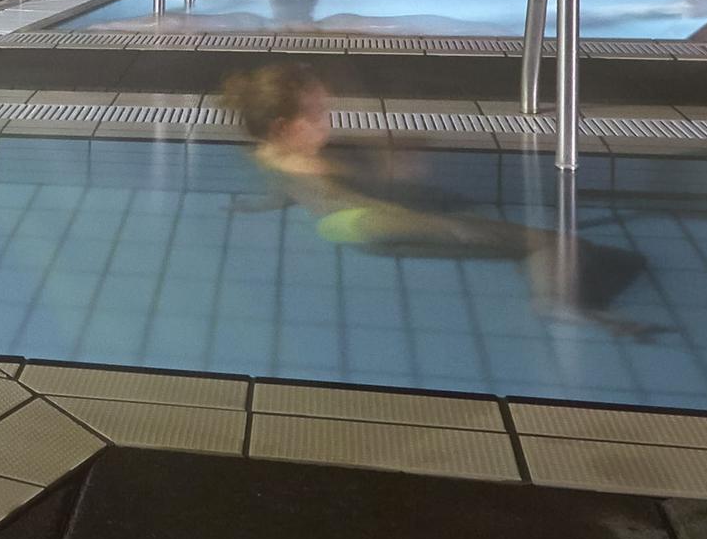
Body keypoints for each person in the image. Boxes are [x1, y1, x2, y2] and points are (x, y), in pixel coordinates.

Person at [217, 62, 661, 336]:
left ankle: (558, 297)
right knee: (551, 243)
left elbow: (285, 189)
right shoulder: (320, 161)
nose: (329, 122)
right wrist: (394, 165)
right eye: (318, 115)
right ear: (282, 126)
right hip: (370, 222)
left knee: (490, 236)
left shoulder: (267, 154)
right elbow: (373, 181)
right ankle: (560, 305)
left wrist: (257, 206)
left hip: (343, 224)